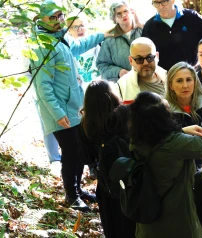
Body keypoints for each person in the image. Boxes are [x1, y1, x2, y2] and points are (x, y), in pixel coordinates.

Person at [30, 0, 109, 211]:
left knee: (79, 149)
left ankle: (78, 190)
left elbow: (77, 46)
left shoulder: (60, 38)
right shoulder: (42, 46)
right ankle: (71, 196)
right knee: (71, 152)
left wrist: (103, 35)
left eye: (60, 16)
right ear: (41, 20)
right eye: (52, 18)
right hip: (59, 112)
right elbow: (43, 85)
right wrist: (57, 114)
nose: (58, 21)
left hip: (73, 108)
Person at [128, 91, 202, 238]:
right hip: (178, 225)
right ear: (162, 119)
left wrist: (181, 131)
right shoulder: (175, 144)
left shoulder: (136, 141)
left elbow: (161, 140)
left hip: (148, 223)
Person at [79, 80, 136, 237]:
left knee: (112, 226)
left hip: (106, 184)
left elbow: (87, 158)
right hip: (130, 176)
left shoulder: (85, 124)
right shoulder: (124, 113)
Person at [142, 0, 202, 71]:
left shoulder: (191, 17)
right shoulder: (150, 26)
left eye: (164, 1)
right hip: (165, 78)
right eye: (156, 3)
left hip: (193, 74)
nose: (160, 6)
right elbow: (143, 54)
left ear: (173, 0)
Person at [96, 0, 144, 82]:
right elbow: (101, 65)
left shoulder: (143, 29)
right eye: (119, 14)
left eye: (126, 11)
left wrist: (142, 25)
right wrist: (118, 72)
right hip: (125, 85)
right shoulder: (110, 39)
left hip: (148, 80)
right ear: (114, 19)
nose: (124, 15)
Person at [165, 61, 202, 129]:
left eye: (188, 80)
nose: (185, 85)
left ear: (195, 82)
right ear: (171, 86)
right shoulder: (165, 110)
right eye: (179, 81)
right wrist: (183, 131)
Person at [114, 37, 167, 103]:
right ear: (131, 60)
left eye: (150, 57)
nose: (145, 63)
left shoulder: (170, 80)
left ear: (157, 56)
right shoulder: (121, 87)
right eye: (139, 59)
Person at [66, 11, 101, 90]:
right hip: (84, 88)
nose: (80, 29)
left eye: (82, 25)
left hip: (101, 83)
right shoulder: (68, 50)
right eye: (75, 27)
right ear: (69, 30)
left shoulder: (96, 44)